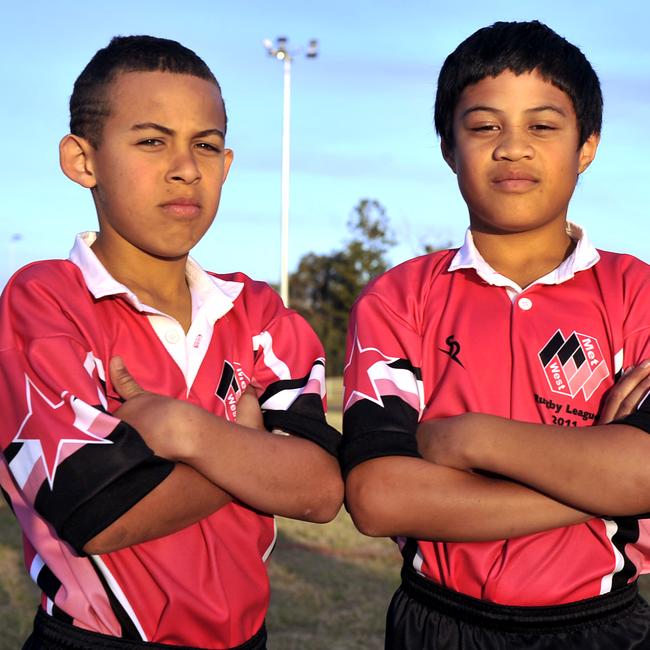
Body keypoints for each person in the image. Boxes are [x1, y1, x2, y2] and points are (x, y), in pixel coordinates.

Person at [0, 35, 343, 650]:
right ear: (83, 160)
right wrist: (252, 450)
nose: (186, 167)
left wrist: (188, 433)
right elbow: (97, 513)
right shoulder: (44, 300)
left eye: (205, 145)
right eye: (152, 140)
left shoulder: (256, 309)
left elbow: (321, 489)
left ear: (227, 165)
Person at [342, 20, 650, 650]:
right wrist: (602, 482)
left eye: (543, 125)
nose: (513, 148)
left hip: (605, 625)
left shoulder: (637, 293)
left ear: (587, 144)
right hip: (438, 622)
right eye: (484, 127)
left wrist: (468, 439)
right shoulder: (399, 299)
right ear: (448, 146)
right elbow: (378, 496)